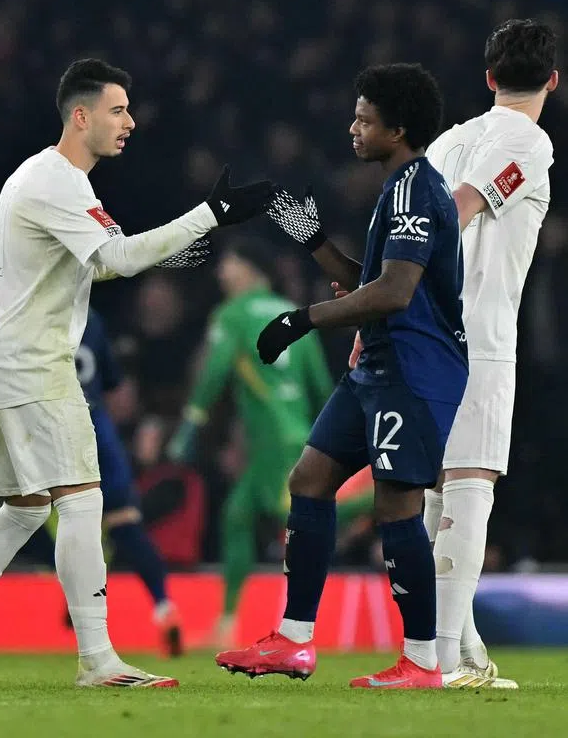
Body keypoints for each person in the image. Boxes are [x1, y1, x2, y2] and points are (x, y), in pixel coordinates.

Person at [0, 58, 273, 687]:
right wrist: (209, 215)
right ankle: (98, 660)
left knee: (26, 508)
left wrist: (201, 221)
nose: (131, 122)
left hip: (2, 357)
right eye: (118, 110)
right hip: (33, 360)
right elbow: (117, 257)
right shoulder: (54, 179)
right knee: (84, 500)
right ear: (81, 115)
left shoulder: (58, 181)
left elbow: (112, 261)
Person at [216, 63, 463, 689]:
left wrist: (304, 319)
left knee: (395, 506)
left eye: (364, 119)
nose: (352, 128)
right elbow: (371, 281)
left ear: (397, 129)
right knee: (310, 478)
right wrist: (310, 236)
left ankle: (422, 661)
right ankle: (293, 641)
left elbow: (396, 292)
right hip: (377, 368)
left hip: (413, 371)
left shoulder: (415, 189)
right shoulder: (396, 187)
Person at [422, 18, 556, 689]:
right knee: (471, 484)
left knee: (437, 489)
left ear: (488, 77)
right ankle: (443, 661)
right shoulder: (527, 139)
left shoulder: (450, 139)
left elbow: (410, 214)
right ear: (553, 81)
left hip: (424, 329)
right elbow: (462, 206)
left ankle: (458, 647)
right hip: (477, 334)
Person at [166, 239, 333, 646]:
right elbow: (321, 386)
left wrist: (190, 426)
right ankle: (227, 624)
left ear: (251, 270)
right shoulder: (296, 315)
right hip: (297, 436)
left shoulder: (233, 314)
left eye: (230, 262)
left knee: (297, 520)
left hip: (273, 441)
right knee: (237, 516)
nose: (222, 272)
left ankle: (383, 505)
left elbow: (215, 371)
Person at [79, 308, 183, 656]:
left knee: (37, 517)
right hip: (99, 429)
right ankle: (164, 606)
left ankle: (76, 606)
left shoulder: (33, 305)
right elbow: (112, 380)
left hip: (55, 426)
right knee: (125, 523)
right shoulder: (91, 317)